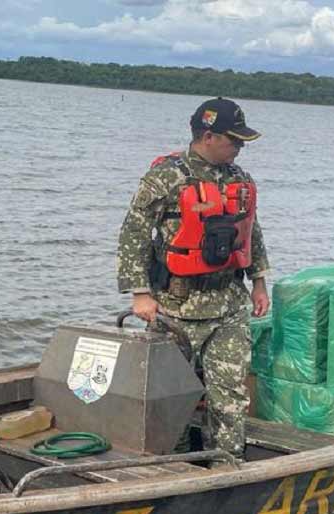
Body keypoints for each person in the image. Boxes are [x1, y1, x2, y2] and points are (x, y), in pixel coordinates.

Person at [117, 97, 271, 460]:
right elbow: (134, 233)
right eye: (234, 140)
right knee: (171, 396)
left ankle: (226, 464)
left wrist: (259, 282)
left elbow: (251, 231)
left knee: (230, 396)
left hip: (229, 305)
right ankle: (175, 465)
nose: (240, 148)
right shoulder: (166, 176)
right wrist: (140, 293)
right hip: (175, 309)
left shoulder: (239, 179)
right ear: (207, 136)